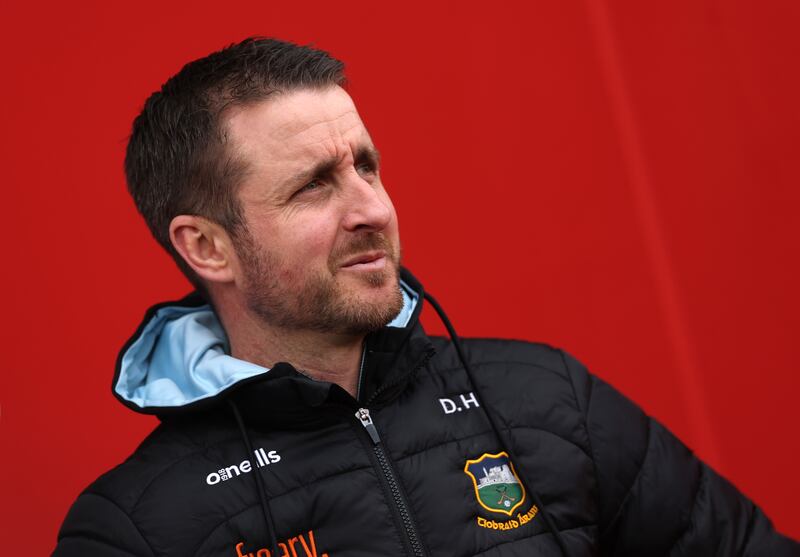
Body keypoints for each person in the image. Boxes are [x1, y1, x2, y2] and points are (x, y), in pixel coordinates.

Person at [53, 37, 798, 557]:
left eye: (367, 167)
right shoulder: (139, 526)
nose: (372, 208)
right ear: (207, 246)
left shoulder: (547, 400)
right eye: (314, 184)